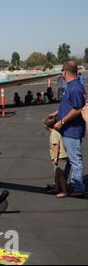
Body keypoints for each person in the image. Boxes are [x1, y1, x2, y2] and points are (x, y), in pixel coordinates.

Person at [50, 61, 86, 198]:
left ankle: (78, 187)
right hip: (66, 129)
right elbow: (70, 105)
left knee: (75, 160)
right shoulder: (72, 86)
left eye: (61, 71)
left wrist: (62, 121)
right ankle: (61, 185)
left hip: (72, 130)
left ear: (65, 71)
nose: (61, 73)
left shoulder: (75, 87)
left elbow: (77, 109)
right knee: (67, 159)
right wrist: (56, 113)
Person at [43, 115, 71, 198]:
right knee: (56, 173)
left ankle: (64, 191)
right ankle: (56, 188)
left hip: (60, 157)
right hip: (60, 157)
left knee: (60, 174)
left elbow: (56, 146)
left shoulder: (53, 134)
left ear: (46, 126)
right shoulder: (55, 132)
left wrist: (55, 158)